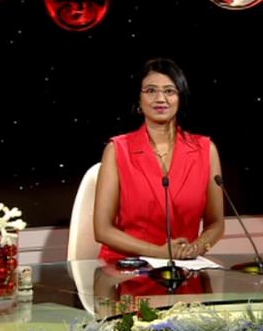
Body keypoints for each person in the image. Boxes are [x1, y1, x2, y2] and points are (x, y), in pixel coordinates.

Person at [93, 58, 225, 266]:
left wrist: (197, 247)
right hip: (128, 267)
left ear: (180, 98)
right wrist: (160, 252)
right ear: (138, 99)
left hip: (184, 267)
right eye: (151, 90)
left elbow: (216, 223)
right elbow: (102, 230)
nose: (160, 98)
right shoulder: (117, 150)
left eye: (169, 91)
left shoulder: (206, 150)